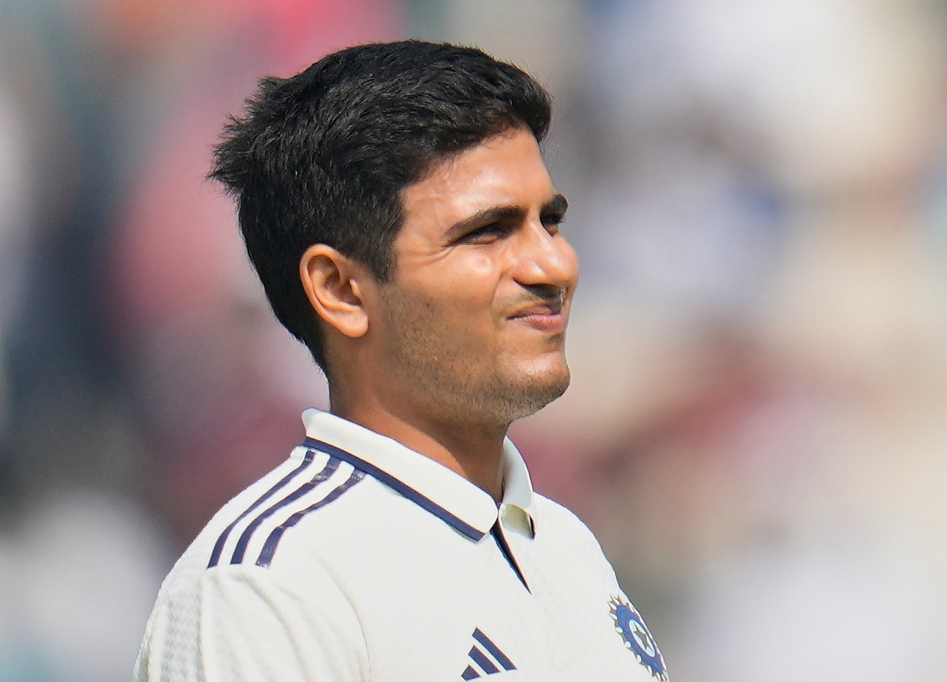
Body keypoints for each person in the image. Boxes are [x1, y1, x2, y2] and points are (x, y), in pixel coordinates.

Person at [133, 40, 668, 681]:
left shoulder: (567, 547)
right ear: (340, 289)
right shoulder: (272, 585)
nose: (553, 264)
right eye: (487, 231)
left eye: (548, 222)